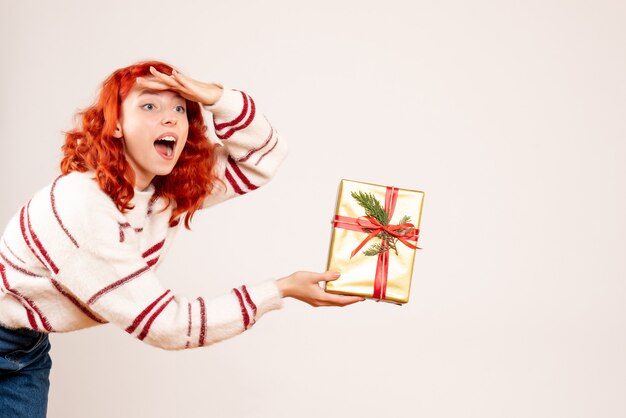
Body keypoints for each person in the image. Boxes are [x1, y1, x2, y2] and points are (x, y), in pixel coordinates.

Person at [0, 61, 363, 418]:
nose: (172, 117)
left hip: (25, 348)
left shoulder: (162, 194)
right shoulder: (81, 206)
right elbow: (167, 325)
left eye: (180, 107)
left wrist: (215, 97)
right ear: (115, 126)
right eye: (148, 105)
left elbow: (263, 156)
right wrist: (281, 289)